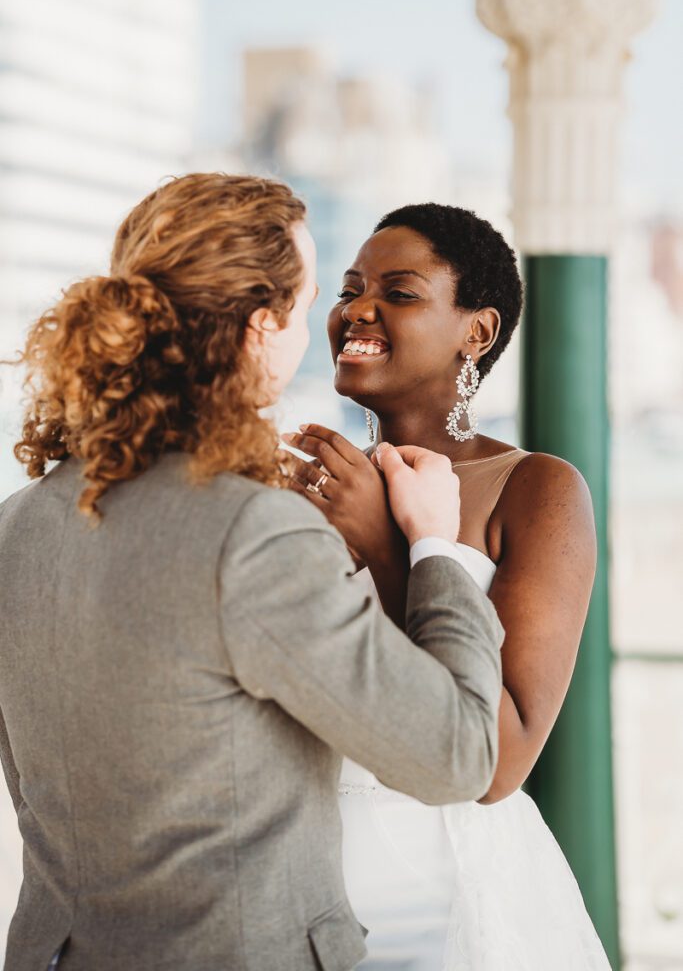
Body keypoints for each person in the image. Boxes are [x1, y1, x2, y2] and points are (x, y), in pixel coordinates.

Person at [0, 176, 506, 971]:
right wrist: (434, 545)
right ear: (261, 326)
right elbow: (455, 758)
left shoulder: (17, 523)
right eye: (310, 308)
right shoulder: (253, 533)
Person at [284, 203, 612, 969]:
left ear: (477, 331)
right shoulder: (304, 486)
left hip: (445, 896)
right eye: (348, 289)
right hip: (299, 897)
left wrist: (386, 548)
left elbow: (500, 764)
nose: (357, 310)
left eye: (397, 293)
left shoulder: (536, 490)